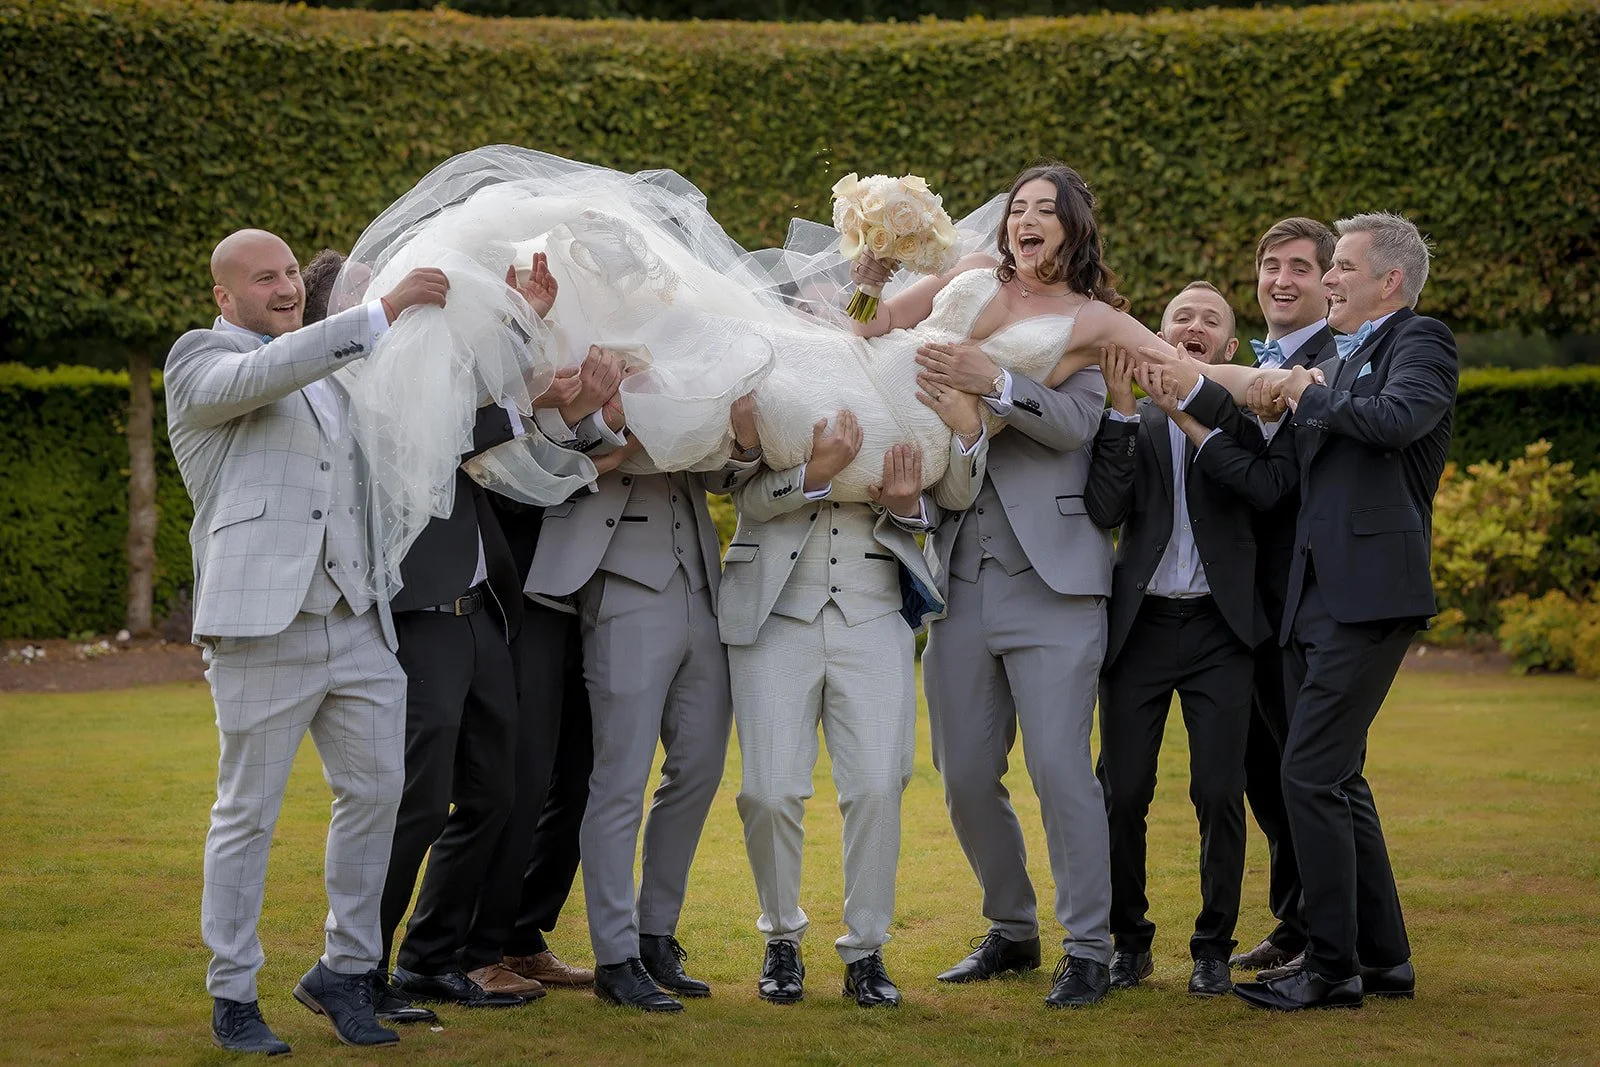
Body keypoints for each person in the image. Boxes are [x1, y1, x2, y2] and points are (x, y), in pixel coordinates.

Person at [872, 163, 1203, 1009]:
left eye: (1045, 211)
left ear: (1073, 231)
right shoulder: (969, 289)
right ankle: (1012, 926)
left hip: (1057, 584)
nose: (1028, 220)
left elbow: (1079, 426)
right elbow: (874, 333)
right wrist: (872, 276)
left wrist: (998, 384)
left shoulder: (1088, 330)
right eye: (1019, 208)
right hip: (963, 578)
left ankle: (1089, 947)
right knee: (962, 772)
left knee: (1061, 769)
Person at [167, 228, 446, 1053]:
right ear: (225, 296)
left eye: (292, 271)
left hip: (356, 618)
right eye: (265, 278)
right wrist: (382, 309)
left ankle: (348, 971)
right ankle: (233, 993)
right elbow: (264, 374)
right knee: (246, 814)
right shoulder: (200, 362)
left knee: (378, 794)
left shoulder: (331, 366)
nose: (287, 287)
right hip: (260, 623)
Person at [1167, 212, 1456, 1009]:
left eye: (1341, 267)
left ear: (1388, 281)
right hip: (1313, 598)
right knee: (1340, 779)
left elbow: (1397, 422)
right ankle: (1384, 958)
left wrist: (1303, 391)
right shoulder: (1342, 353)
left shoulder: (1419, 341)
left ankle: (1331, 969)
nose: (1327, 279)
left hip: (1371, 594)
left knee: (1309, 773)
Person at [721, 387, 987, 1008]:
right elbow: (735, 488)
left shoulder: (894, 377)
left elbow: (950, 499)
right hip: (772, 610)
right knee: (767, 790)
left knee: (875, 787)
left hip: (873, 611)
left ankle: (867, 951)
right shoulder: (774, 369)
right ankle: (780, 938)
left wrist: (908, 507)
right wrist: (813, 473)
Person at [520, 381, 762, 1012]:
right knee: (621, 775)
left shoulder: (688, 346)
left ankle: (656, 935)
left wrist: (740, 439)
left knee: (701, 767)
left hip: (703, 582)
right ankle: (615, 956)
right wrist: (609, 415)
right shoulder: (577, 353)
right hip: (621, 578)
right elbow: (546, 444)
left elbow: (718, 476)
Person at [1083, 282, 1266, 998]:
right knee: (1123, 792)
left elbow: (1264, 491)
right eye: (1178, 317)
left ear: (1227, 350)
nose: (1192, 326)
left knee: (1219, 790)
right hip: (1142, 627)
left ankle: (1213, 946)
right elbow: (1104, 507)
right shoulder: (1124, 419)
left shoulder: (1243, 417)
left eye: (1208, 320)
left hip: (1223, 629)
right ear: (1155, 337)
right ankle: (1130, 941)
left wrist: (1196, 417)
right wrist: (1126, 410)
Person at [1228, 217, 1338, 974]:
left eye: (1300, 266)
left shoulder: (1340, 364)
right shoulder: (1239, 367)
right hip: (1240, 605)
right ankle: (1294, 918)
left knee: (1310, 770)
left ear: (1329, 282)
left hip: (1307, 603)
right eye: (1272, 265)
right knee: (1260, 770)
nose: (1282, 279)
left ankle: (1328, 932)